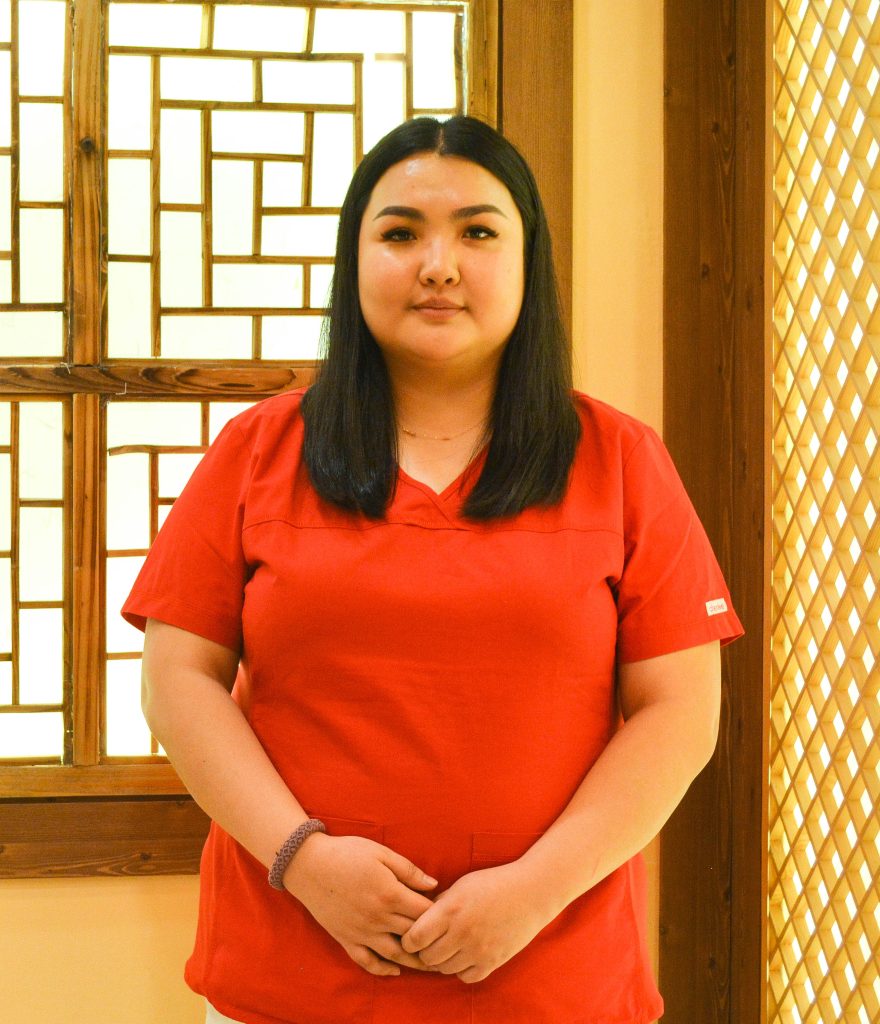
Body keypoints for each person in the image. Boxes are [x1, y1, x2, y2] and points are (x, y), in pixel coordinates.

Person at [122, 115, 743, 1024]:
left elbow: (679, 713)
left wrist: (534, 891)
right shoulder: (257, 451)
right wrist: (304, 861)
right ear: (354, 260)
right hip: (291, 974)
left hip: (551, 980)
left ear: (529, 261)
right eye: (401, 233)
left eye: (478, 232)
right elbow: (178, 680)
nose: (439, 265)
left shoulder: (621, 460)